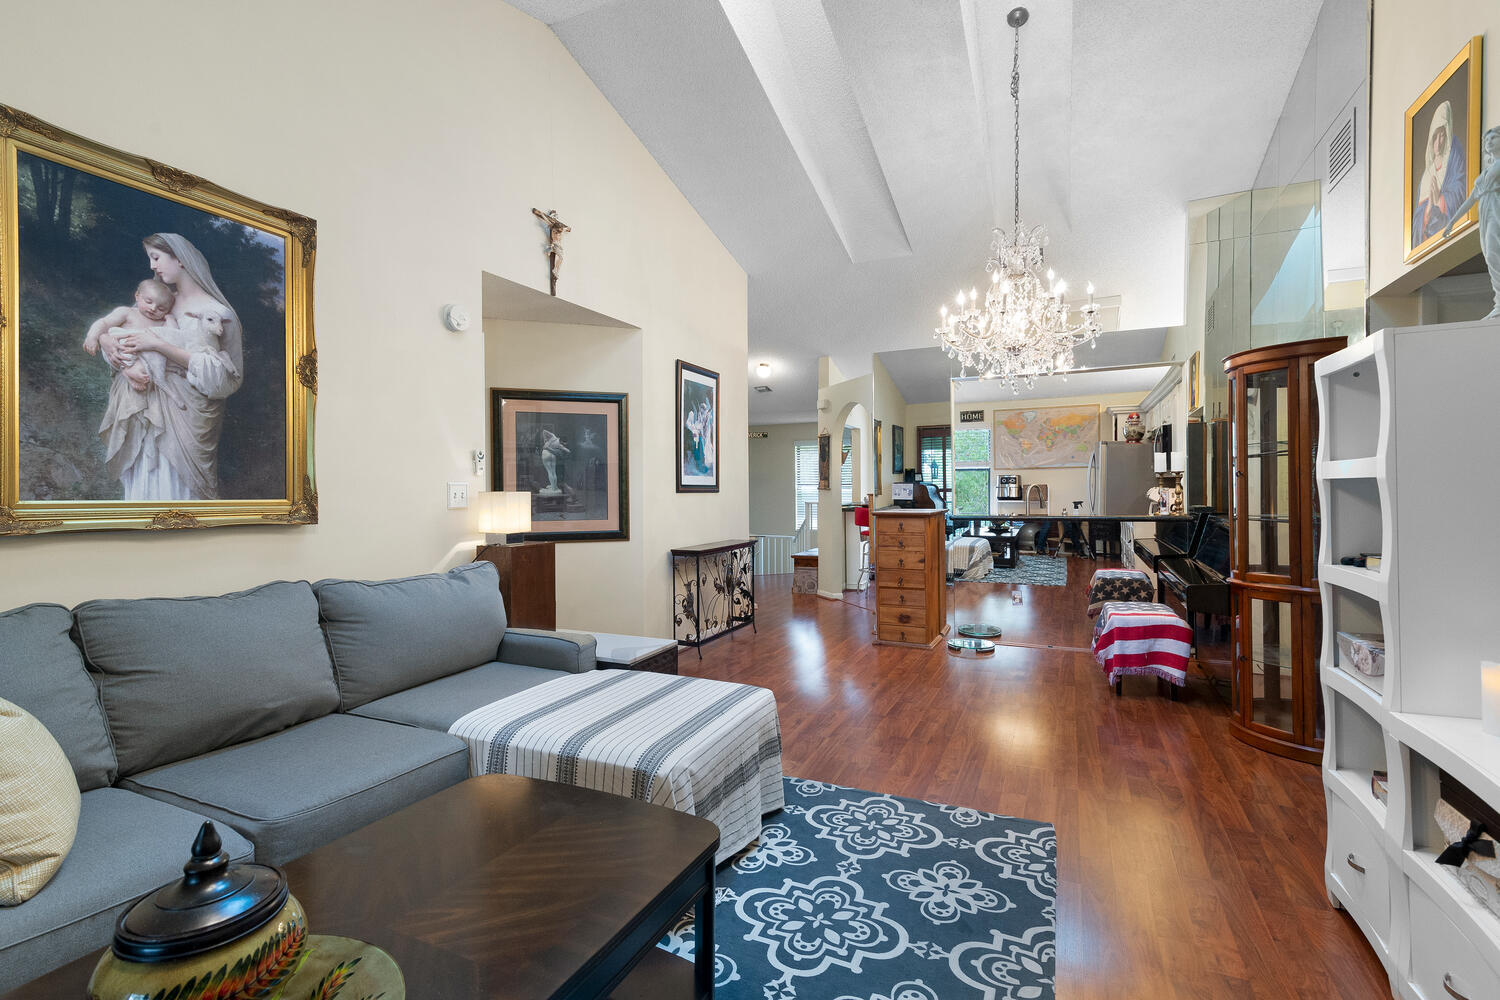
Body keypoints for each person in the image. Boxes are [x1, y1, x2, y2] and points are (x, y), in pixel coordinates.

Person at [96, 233, 244, 500]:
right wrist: (109, 345)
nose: (152, 266)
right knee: (144, 488)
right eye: (150, 259)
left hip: (186, 415)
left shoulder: (219, 312)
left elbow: (226, 380)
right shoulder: (159, 302)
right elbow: (127, 337)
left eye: (156, 258)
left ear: (181, 259)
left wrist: (159, 345)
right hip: (142, 409)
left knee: (177, 494)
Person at [83, 278, 178, 396]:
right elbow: (104, 323)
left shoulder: (161, 322)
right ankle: (129, 370)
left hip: (144, 359)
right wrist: (92, 337)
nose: (153, 308)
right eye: (149, 302)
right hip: (121, 351)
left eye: (161, 309)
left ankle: (131, 374)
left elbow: (173, 336)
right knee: (121, 341)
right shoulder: (127, 312)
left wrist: (170, 319)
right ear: (137, 296)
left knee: (155, 356)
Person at [1443, 125, 1500, 318]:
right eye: (1486, 140)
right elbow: (1470, 200)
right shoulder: (1487, 171)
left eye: (1493, 138)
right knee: (1489, 255)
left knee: (1494, 252)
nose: (1488, 142)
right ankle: (1499, 302)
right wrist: (1452, 222)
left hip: (1497, 207)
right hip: (1485, 209)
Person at [1412, 100, 1468, 246]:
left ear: (1447, 134)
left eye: (1442, 136)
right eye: (1435, 136)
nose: (1438, 142)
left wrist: (1440, 200)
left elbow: (1461, 192)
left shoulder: (1453, 159)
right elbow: (1417, 219)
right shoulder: (1427, 175)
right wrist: (1429, 208)